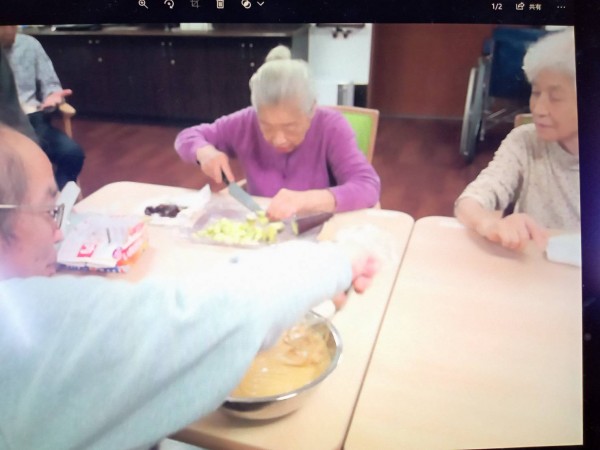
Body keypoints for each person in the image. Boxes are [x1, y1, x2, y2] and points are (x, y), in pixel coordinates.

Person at [0, 126, 377, 449]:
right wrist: (339, 259)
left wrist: (314, 201)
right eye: (49, 210)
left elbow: (366, 185)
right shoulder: (22, 329)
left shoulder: (331, 128)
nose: (59, 233)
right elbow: (217, 313)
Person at [175, 45, 381, 221]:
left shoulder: (331, 126)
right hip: (264, 228)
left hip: (318, 230)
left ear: (312, 109)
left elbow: (367, 185)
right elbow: (188, 136)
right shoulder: (245, 121)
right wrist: (204, 152)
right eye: (266, 126)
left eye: (290, 127)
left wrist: (305, 200)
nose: (278, 139)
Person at [454, 28, 579, 251]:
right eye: (536, 93)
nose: (538, 109)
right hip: (529, 265)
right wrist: (490, 223)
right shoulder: (525, 140)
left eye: (556, 97)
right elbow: (471, 200)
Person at [0, 25, 85, 190]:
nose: (11, 29)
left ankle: (58, 199)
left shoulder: (29, 45)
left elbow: (51, 85)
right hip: (4, 125)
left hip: (32, 118)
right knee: (17, 169)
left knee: (72, 154)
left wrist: (52, 97)